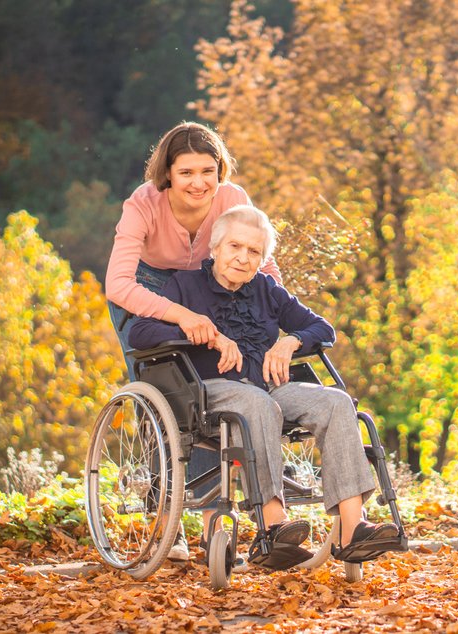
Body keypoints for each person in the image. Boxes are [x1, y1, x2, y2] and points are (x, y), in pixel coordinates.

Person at [129, 205, 400, 569]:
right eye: (235, 247)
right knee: (256, 403)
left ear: (262, 259)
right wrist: (200, 330)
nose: (243, 258)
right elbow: (140, 332)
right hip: (209, 391)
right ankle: (273, 526)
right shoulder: (185, 285)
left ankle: (352, 527)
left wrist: (290, 342)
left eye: (253, 251)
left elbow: (323, 329)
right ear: (215, 247)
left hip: (271, 387)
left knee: (336, 402)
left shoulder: (266, 289)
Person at [105, 122, 280, 563]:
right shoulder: (142, 204)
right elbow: (118, 284)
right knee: (164, 391)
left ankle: (212, 521)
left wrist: (277, 320)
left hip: (206, 286)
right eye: (186, 172)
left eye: (207, 171)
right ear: (167, 173)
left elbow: (263, 268)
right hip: (147, 288)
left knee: (206, 390)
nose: (198, 183)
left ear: (220, 170)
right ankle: (165, 516)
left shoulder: (233, 199)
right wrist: (182, 316)